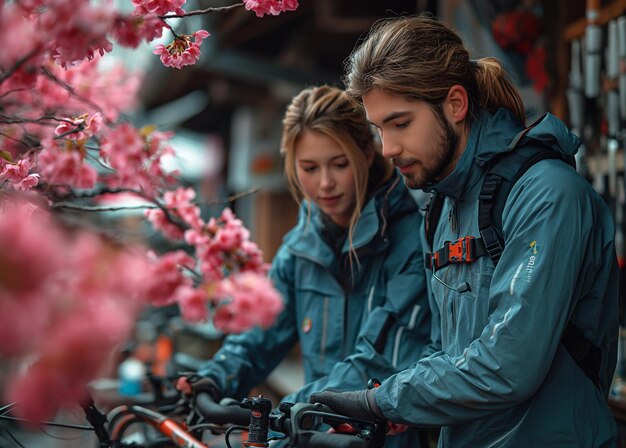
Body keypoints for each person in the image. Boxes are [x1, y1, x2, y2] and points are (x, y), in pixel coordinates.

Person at [309, 14, 620, 447]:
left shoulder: (548, 194)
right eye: (379, 129)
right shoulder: (442, 208)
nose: (388, 148)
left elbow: (509, 365)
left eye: (401, 123)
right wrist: (391, 401)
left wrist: (386, 403)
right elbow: (447, 353)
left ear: (455, 104)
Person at [180, 85, 432, 447]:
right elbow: (262, 334)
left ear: (366, 153)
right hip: (310, 433)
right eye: (309, 168)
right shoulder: (299, 249)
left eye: (340, 164)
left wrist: (291, 411)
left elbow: (380, 359)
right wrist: (214, 377)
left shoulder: (409, 238)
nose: (325, 183)